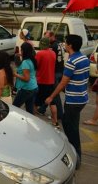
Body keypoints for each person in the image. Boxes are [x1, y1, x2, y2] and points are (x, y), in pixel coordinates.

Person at [45, 34, 90, 169]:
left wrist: (51, 97)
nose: (64, 44)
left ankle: (76, 159)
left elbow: (63, 83)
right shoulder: (83, 58)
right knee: (68, 123)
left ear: (70, 45)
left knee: (72, 130)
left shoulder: (72, 62)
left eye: (65, 43)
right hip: (82, 98)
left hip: (73, 99)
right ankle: (75, 154)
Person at [35, 37, 59, 127]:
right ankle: (55, 121)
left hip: (41, 81)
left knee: (35, 102)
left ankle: (35, 120)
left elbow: (36, 66)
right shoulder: (53, 53)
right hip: (51, 81)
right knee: (52, 103)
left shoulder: (40, 54)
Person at [41, 30, 64, 120]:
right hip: (60, 70)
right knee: (50, 91)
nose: (46, 39)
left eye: (47, 37)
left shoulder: (53, 46)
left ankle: (59, 114)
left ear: (51, 36)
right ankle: (42, 109)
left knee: (55, 94)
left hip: (55, 72)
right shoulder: (59, 44)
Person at [13, 42, 38, 114]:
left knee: (14, 107)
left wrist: (15, 74)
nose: (20, 51)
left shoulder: (25, 62)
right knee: (29, 111)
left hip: (26, 89)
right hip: (33, 87)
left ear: (24, 51)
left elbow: (26, 78)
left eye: (21, 50)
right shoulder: (32, 59)